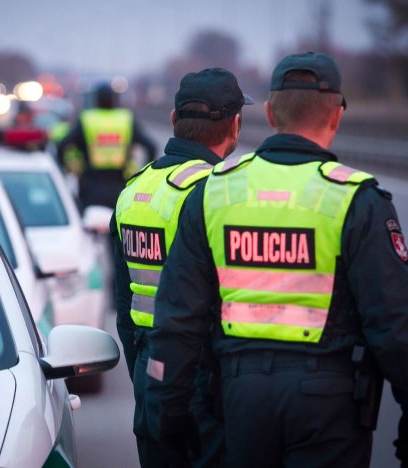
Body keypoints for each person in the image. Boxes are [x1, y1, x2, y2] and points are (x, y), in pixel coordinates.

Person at [146, 52, 408, 468]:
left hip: (240, 400)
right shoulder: (355, 200)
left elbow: (178, 315)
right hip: (330, 405)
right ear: (336, 116)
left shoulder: (214, 193)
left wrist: (170, 406)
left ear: (269, 113)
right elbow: (395, 320)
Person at [111, 67, 253, 468]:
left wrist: (144, 372)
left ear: (174, 120)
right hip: (205, 379)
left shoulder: (133, 190)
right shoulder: (220, 192)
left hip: (148, 369)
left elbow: (124, 305)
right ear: (235, 124)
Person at [56, 82, 157, 211]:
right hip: (120, 186)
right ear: (115, 101)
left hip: (90, 186)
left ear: (96, 101)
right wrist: (139, 173)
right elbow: (151, 147)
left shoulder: (87, 119)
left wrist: (73, 170)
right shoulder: (126, 119)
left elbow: (62, 146)